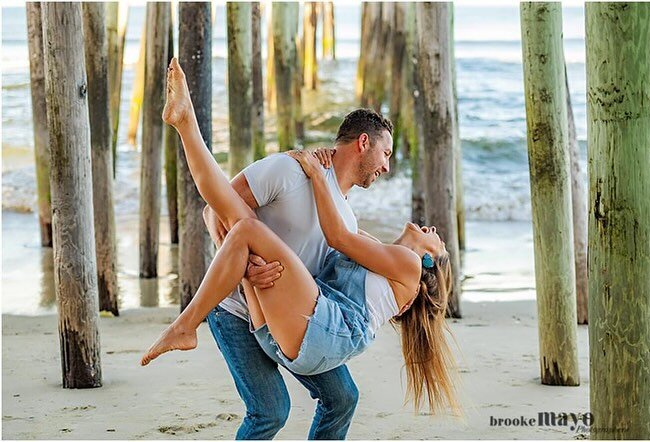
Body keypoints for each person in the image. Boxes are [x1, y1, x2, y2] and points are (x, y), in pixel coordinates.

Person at [141, 56, 461, 429]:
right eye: (386, 153)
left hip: (293, 317)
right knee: (271, 411)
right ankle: (185, 124)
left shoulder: (347, 219)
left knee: (342, 399)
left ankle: (186, 125)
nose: (387, 166)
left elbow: (341, 248)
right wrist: (245, 269)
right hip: (236, 307)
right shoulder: (290, 170)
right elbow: (214, 213)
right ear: (363, 142)